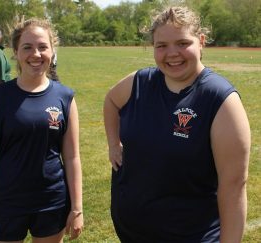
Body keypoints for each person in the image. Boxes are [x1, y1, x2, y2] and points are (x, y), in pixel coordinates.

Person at [104, 6, 250, 243]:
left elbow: (234, 187)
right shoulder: (140, 82)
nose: (172, 53)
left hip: (189, 235)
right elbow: (110, 101)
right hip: (132, 232)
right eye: (161, 46)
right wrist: (113, 142)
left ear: (201, 41)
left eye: (182, 43)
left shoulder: (219, 100)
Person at [0, 18, 83, 242]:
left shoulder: (65, 97)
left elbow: (72, 157)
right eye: (27, 47)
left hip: (51, 202)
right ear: (15, 52)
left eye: (43, 47)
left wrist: (77, 208)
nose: (36, 54)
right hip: (7, 202)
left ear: (53, 51)